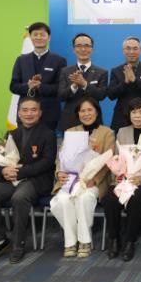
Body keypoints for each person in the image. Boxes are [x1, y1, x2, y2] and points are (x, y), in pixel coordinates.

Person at [0, 97, 57, 264]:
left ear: (40, 113)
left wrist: (19, 173)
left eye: (33, 110)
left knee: (19, 197)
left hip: (36, 180)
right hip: (10, 180)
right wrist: (3, 171)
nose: (29, 113)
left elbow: (47, 162)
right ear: (19, 113)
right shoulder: (12, 134)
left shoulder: (48, 134)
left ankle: (18, 243)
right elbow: (1, 160)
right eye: (25, 110)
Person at [50, 97, 115, 258]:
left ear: (97, 112)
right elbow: (61, 158)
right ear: (78, 114)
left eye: (90, 110)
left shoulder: (107, 133)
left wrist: (95, 180)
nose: (86, 114)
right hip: (70, 180)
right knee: (62, 201)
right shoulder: (71, 132)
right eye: (82, 111)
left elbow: (108, 162)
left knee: (84, 198)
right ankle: (71, 241)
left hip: (93, 181)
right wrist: (59, 173)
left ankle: (84, 241)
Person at [101, 98, 141, 262]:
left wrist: (140, 179)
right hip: (123, 179)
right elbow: (117, 157)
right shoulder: (122, 132)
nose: (137, 116)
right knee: (110, 199)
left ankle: (130, 241)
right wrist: (120, 175)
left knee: (135, 198)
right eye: (134, 112)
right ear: (129, 114)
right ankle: (114, 239)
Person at [9, 22, 67, 130]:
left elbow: (61, 88)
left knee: (47, 141)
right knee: (24, 141)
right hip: (26, 113)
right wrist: (28, 86)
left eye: (42, 34)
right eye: (35, 34)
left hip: (49, 114)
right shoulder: (21, 60)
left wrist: (41, 86)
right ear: (30, 37)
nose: (39, 37)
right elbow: (13, 86)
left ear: (49, 38)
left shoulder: (59, 60)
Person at [57, 33, 109, 132]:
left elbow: (101, 95)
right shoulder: (65, 71)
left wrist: (84, 84)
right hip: (70, 121)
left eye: (87, 46)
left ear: (92, 49)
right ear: (74, 49)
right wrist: (74, 86)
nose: (83, 49)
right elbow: (61, 97)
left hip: (93, 121)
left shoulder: (102, 72)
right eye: (79, 46)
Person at [107, 37, 141, 133]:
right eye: (128, 48)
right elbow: (111, 95)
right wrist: (125, 82)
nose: (131, 52)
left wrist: (135, 80)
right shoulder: (116, 71)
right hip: (121, 117)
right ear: (123, 51)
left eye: (135, 48)